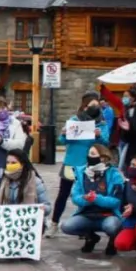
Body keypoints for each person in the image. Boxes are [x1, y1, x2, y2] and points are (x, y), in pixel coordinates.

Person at [47, 91, 111, 237]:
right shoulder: (74, 120)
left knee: (87, 195)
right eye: (90, 105)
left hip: (91, 164)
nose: (93, 108)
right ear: (84, 106)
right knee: (63, 194)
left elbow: (106, 142)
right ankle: (54, 223)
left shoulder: (101, 124)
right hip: (72, 163)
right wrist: (64, 133)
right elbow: (63, 140)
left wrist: (99, 136)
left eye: (96, 105)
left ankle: (85, 226)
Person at [60, 144, 125, 255]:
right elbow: (75, 197)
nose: (89, 157)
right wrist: (86, 199)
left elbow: (116, 201)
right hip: (87, 215)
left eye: (93, 154)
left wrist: (97, 199)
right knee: (67, 226)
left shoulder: (114, 175)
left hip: (108, 215)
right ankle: (91, 237)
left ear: (103, 158)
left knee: (112, 226)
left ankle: (112, 241)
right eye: (89, 154)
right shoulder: (81, 173)